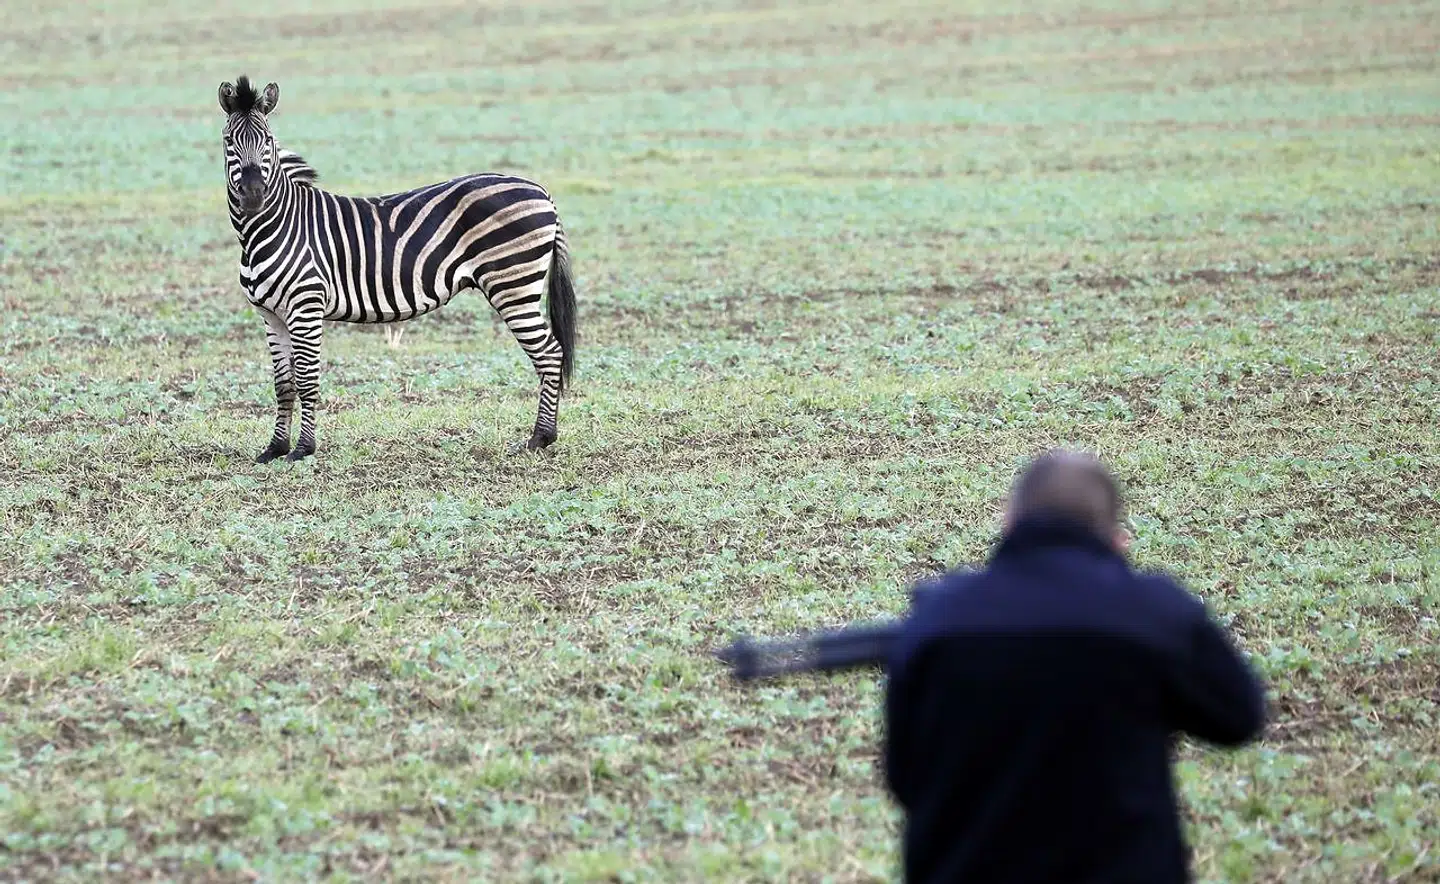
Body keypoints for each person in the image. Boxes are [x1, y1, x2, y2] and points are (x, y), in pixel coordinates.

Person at [883, 449, 1267, 884]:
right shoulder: (1155, 613)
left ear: (1008, 524)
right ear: (1116, 539)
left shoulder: (939, 616)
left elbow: (904, 775)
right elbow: (1240, 717)